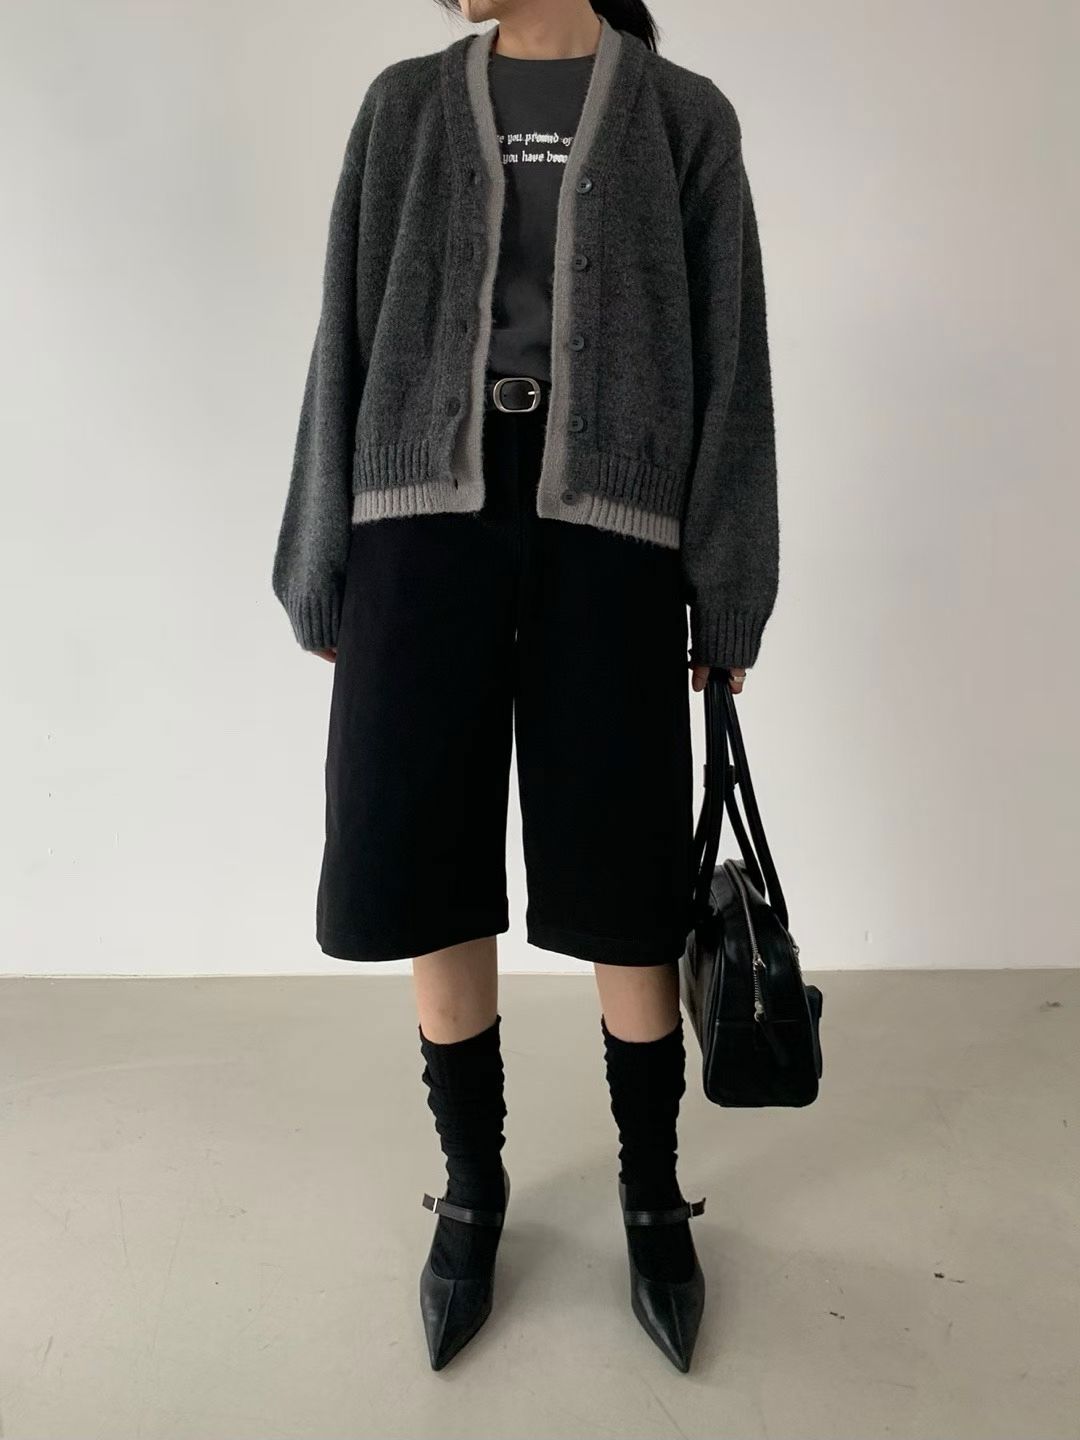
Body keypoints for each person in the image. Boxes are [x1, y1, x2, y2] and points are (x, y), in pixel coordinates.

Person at [271, 0, 778, 1373]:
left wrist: (729, 583)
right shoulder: (402, 106)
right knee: (422, 851)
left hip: (613, 528)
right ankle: (473, 1188)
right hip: (419, 516)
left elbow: (733, 369)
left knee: (624, 867)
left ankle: (651, 1190)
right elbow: (343, 333)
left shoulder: (683, 119)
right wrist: (322, 554)